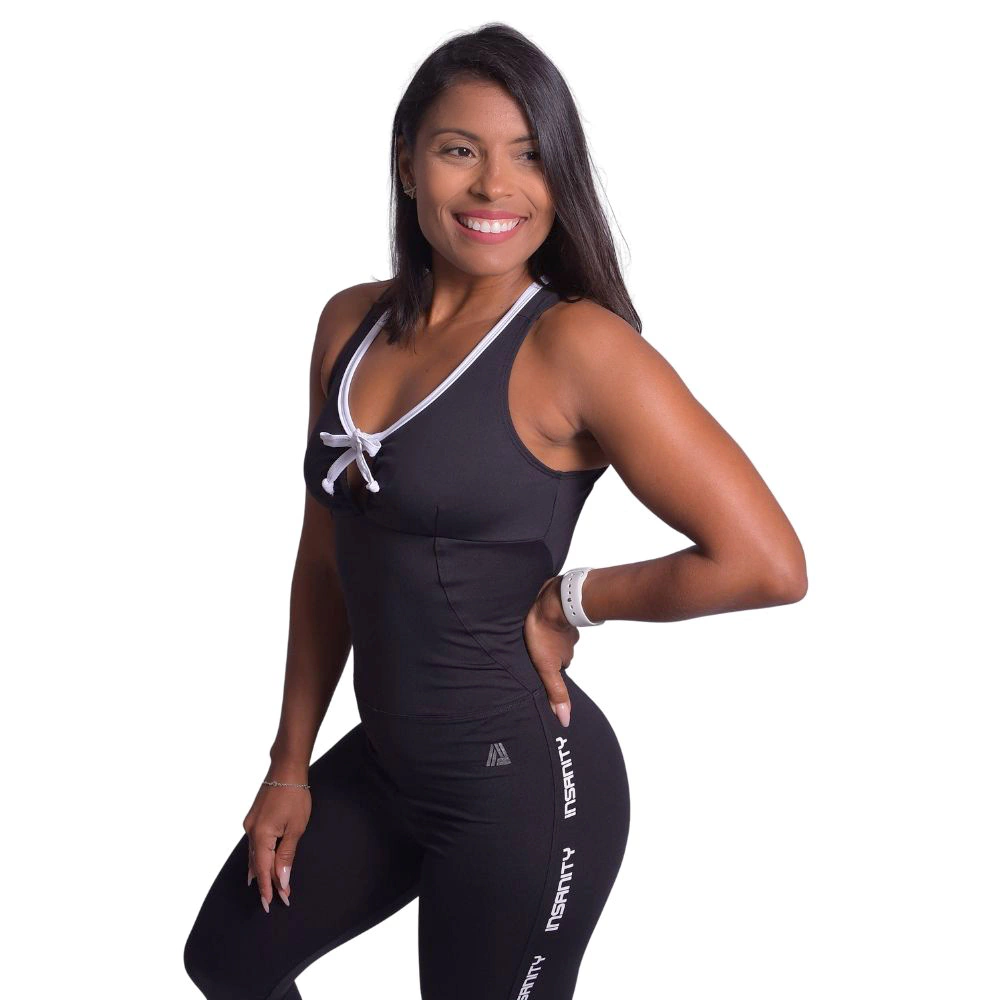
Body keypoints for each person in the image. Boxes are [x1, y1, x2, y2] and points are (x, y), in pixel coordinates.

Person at [183, 22, 807, 1000]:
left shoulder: (577, 347)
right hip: (387, 764)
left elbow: (766, 561)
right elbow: (324, 562)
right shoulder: (349, 324)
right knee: (228, 960)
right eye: (459, 149)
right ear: (407, 163)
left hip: (522, 786)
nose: (493, 187)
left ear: (561, 178)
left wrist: (572, 600)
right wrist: (289, 763)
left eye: (527, 155)